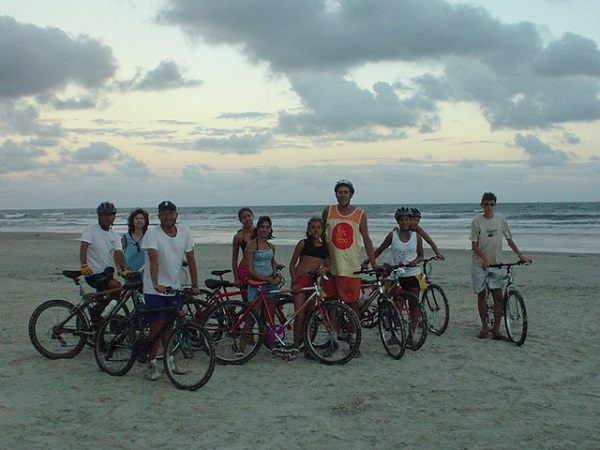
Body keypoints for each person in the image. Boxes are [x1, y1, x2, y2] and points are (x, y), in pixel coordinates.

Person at [141, 201, 200, 380]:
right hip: (154, 288)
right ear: (159, 216)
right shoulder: (152, 233)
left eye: (171, 213)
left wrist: (195, 284)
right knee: (156, 325)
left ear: (176, 214)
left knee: (170, 327)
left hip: (174, 287)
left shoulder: (185, 232)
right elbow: (153, 259)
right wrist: (156, 283)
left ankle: (170, 360)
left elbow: (190, 258)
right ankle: (151, 363)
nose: (168, 216)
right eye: (164, 213)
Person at [322, 179, 379, 354]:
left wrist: (373, 262)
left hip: (351, 267)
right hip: (332, 267)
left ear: (351, 194)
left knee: (352, 305)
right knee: (331, 304)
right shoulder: (329, 211)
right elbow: (320, 237)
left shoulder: (360, 214)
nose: (342, 195)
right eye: (340, 192)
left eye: (346, 192)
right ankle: (332, 340)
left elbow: (367, 239)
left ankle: (354, 342)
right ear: (335, 194)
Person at [470, 192, 531, 341]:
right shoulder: (477, 221)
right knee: (481, 294)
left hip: (496, 264)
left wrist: (519, 254)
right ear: (481, 205)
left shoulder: (501, 220)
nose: (489, 207)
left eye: (491, 204)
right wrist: (484, 258)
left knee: (498, 296)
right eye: (486, 204)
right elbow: (474, 245)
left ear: (495, 205)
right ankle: (485, 326)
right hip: (479, 264)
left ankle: (496, 330)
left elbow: (509, 239)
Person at [373, 207, 424, 346]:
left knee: (414, 306)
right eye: (401, 220)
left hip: (412, 274)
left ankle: (411, 335)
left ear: (410, 221)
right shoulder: (392, 236)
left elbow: (421, 255)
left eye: (407, 219)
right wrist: (368, 262)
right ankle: (394, 333)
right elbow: (380, 249)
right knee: (396, 306)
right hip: (397, 275)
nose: (404, 222)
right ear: (398, 221)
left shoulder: (417, 237)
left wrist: (415, 261)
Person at [241, 216, 283, 355]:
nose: (265, 229)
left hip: (270, 285)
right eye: (262, 227)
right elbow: (249, 269)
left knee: (270, 317)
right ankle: (241, 348)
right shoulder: (252, 245)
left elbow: (272, 265)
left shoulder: (271, 246)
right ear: (257, 229)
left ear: (271, 229)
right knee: (252, 317)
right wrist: (267, 279)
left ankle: (271, 345)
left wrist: (275, 274)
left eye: (267, 227)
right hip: (256, 284)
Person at [289, 217, 330, 358]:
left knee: (309, 316)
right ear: (308, 229)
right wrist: (294, 282)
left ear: (322, 229)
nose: (316, 230)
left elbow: (328, 264)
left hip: (313, 284)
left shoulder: (325, 246)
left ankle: (307, 347)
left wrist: (324, 269)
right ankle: (295, 347)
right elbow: (292, 264)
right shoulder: (303, 243)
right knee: (299, 316)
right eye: (313, 227)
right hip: (300, 282)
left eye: (319, 227)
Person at [79, 201, 126, 323]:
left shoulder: (114, 235)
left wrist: (124, 269)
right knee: (116, 286)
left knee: (109, 298)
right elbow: (84, 247)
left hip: (105, 273)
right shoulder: (91, 229)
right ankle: (101, 316)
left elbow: (118, 253)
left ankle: (101, 317)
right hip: (92, 273)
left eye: (110, 215)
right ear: (99, 216)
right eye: (104, 215)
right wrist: (84, 265)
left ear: (114, 217)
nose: (107, 218)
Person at [232, 207, 255, 298]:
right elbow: (234, 259)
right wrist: (236, 278)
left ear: (253, 217)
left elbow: (267, 251)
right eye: (243, 217)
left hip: (260, 268)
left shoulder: (261, 232)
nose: (247, 219)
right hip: (244, 270)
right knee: (247, 302)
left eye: (249, 216)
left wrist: (275, 264)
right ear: (240, 220)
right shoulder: (238, 237)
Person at [121, 208, 149, 273]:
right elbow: (117, 254)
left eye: (142, 218)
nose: (139, 220)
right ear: (132, 221)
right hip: (129, 272)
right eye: (136, 218)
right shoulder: (126, 237)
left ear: (145, 221)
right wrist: (120, 269)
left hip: (145, 272)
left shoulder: (149, 236)